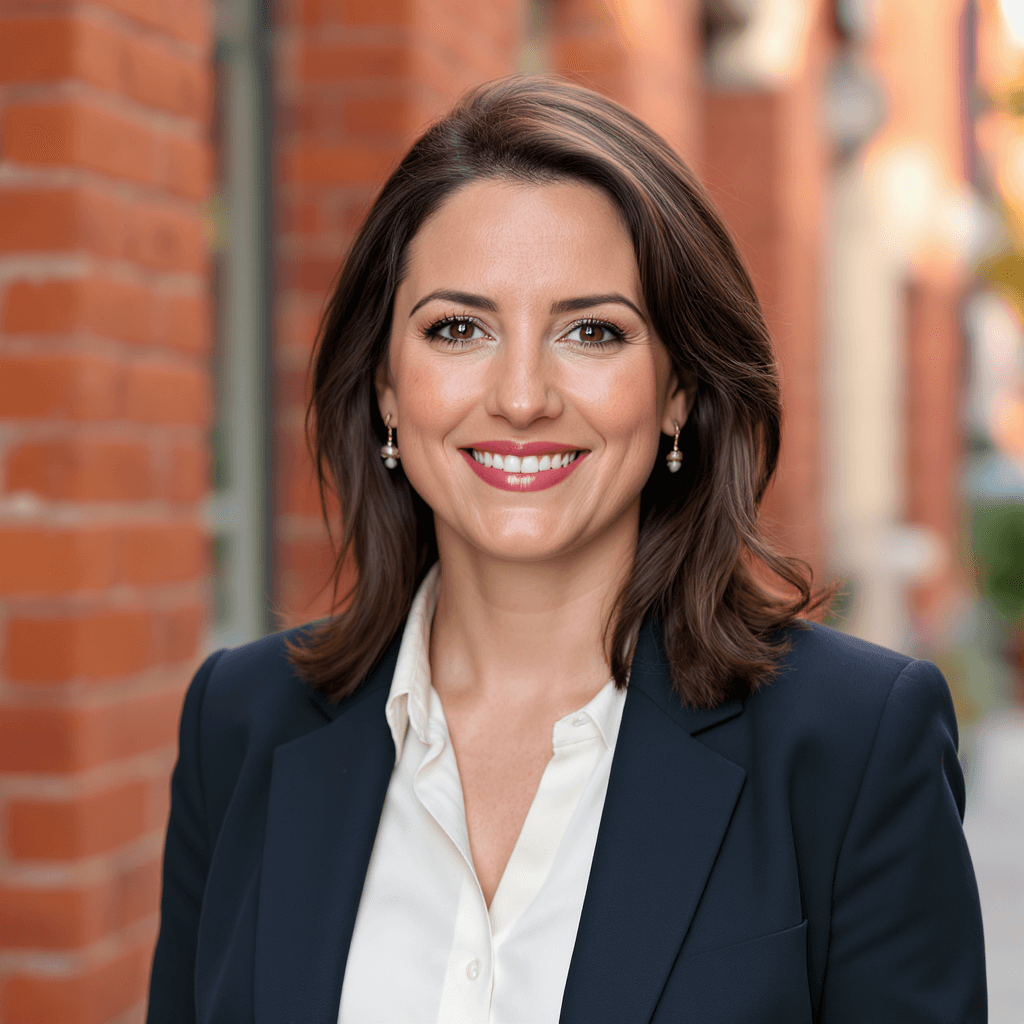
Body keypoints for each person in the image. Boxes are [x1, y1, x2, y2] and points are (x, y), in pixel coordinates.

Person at [146, 76, 986, 1024]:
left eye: (592, 332)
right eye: (458, 328)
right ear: (387, 387)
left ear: (678, 392)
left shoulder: (854, 744)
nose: (520, 395)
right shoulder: (243, 724)